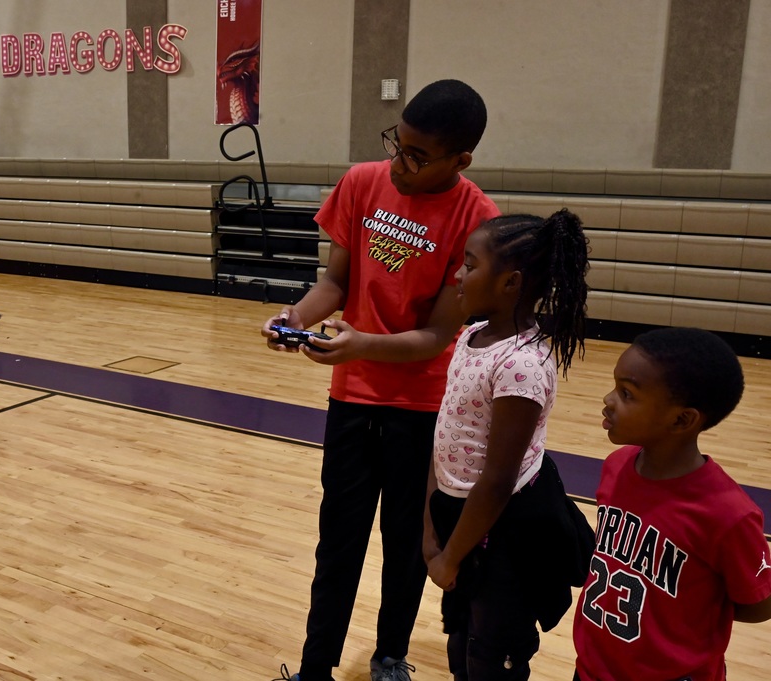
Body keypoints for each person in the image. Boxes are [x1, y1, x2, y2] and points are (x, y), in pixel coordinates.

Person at [262, 79, 500, 681]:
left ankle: (390, 656)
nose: (400, 162)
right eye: (399, 144)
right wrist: (295, 318)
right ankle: (315, 668)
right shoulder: (362, 182)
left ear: (461, 160)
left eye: (418, 156)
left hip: (420, 406)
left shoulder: (478, 219)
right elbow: (335, 284)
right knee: (337, 539)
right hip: (351, 397)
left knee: (403, 543)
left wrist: (358, 343)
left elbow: (437, 336)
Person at [423, 209, 595, 680]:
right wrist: (429, 530)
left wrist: (449, 557)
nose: (458, 275)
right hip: (460, 517)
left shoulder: (522, 365)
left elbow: (497, 481)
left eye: (470, 265)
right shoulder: (472, 335)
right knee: (461, 640)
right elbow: (446, 437)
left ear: (510, 283)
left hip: (507, 529)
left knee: (493, 652)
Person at [572, 327, 771, 681]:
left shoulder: (728, 514)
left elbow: (759, 604)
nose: (608, 399)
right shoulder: (616, 465)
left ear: (682, 419)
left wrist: (686, 615)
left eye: (627, 393)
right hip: (592, 669)